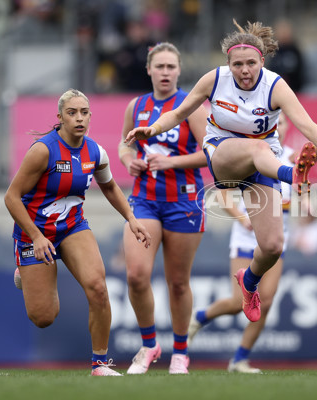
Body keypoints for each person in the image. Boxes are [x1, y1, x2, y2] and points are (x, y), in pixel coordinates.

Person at [125, 20, 317, 324]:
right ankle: (293, 175)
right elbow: (178, 112)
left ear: (262, 62)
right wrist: (154, 128)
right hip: (223, 153)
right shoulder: (214, 80)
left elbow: (307, 126)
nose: (244, 70)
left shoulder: (275, 85)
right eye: (237, 64)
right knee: (257, 149)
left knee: (272, 246)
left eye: (251, 63)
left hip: (263, 165)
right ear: (227, 63)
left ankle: (249, 281)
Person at [5, 89, 151, 377]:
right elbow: (11, 197)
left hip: (72, 226)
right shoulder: (43, 151)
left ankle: (100, 364)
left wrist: (132, 218)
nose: (79, 118)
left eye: (84, 112)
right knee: (44, 317)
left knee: (98, 288)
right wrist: (35, 236)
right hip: (34, 233)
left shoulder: (95, 152)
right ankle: (24, 268)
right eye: (72, 112)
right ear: (59, 118)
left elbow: (109, 186)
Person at [117, 42, 209, 375]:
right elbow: (123, 144)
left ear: (179, 70)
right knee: (136, 275)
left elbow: (212, 154)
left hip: (184, 200)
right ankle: (149, 344)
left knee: (178, 282)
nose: (166, 72)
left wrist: (171, 162)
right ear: (149, 70)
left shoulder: (192, 104)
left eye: (171, 67)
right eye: (160, 67)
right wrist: (129, 161)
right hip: (144, 199)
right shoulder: (136, 105)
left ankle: (181, 353)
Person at [187, 113, 293, 374]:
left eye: (283, 122)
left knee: (265, 302)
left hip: (274, 240)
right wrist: (242, 217)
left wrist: (308, 200)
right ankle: (200, 318)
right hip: (246, 236)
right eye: (276, 123)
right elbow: (222, 191)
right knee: (239, 303)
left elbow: (297, 193)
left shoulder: (291, 159)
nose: (279, 126)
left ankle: (239, 359)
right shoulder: (249, 151)